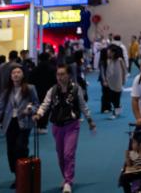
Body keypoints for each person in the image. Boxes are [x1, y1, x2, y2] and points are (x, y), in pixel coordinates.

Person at [34, 64, 96, 193]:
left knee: (68, 154)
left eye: (62, 74)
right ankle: (66, 177)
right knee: (61, 155)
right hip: (57, 126)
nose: (60, 77)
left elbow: (83, 105)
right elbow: (45, 104)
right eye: (58, 74)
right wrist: (39, 114)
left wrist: (90, 120)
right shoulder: (52, 90)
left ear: (69, 75)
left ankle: (68, 181)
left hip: (72, 125)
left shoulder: (76, 89)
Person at [0, 66, 38, 187]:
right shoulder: (6, 91)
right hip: (9, 123)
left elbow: (37, 104)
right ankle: (17, 175)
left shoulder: (30, 88)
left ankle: (24, 173)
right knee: (10, 151)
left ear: (23, 74)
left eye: (18, 72)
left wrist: (31, 109)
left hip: (24, 122)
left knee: (20, 148)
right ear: (10, 76)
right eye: (13, 73)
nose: (16, 74)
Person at [29, 52, 58, 135]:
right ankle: (43, 126)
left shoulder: (35, 69)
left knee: (38, 106)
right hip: (49, 91)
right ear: (48, 58)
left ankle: (38, 124)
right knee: (47, 108)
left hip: (37, 91)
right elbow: (55, 80)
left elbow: (30, 80)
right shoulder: (52, 68)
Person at [104, 45, 128, 119]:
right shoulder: (109, 60)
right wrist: (106, 80)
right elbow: (107, 71)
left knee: (116, 97)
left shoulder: (120, 60)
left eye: (110, 52)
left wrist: (124, 80)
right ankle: (117, 109)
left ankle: (115, 113)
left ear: (114, 52)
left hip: (118, 81)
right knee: (112, 97)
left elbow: (124, 70)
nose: (109, 53)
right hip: (111, 81)